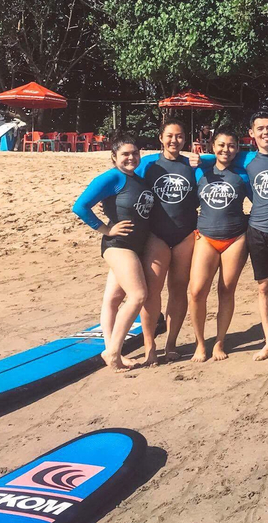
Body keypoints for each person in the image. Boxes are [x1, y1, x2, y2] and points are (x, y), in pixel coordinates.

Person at [193, 111, 268, 365]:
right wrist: (198, 159)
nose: (265, 132)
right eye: (259, 129)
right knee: (264, 287)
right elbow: (220, 155)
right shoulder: (245, 158)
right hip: (256, 230)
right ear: (252, 134)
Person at [72, 132, 154, 370]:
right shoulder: (112, 178)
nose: (131, 157)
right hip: (118, 246)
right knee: (138, 295)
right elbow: (80, 207)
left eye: (135, 153)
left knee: (114, 299)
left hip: (136, 246)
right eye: (125, 154)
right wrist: (106, 229)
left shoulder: (138, 179)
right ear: (114, 156)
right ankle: (114, 352)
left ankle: (110, 350)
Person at [137, 119, 199, 364]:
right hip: (157, 235)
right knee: (152, 292)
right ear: (161, 138)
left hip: (185, 234)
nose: (175, 140)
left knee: (178, 289)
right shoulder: (148, 165)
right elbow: (125, 181)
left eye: (180, 136)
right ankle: (149, 344)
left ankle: (171, 342)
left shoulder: (192, 165)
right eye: (170, 136)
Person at [187, 126, 250, 362]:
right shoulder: (200, 172)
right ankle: (200, 343)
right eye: (221, 145)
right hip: (206, 236)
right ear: (213, 146)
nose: (226, 149)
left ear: (237, 148)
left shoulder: (243, 175)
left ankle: (220, 341)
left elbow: (262, 199)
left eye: (232, 145)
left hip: (235, 238)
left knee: (226, 291)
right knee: (196, 291)